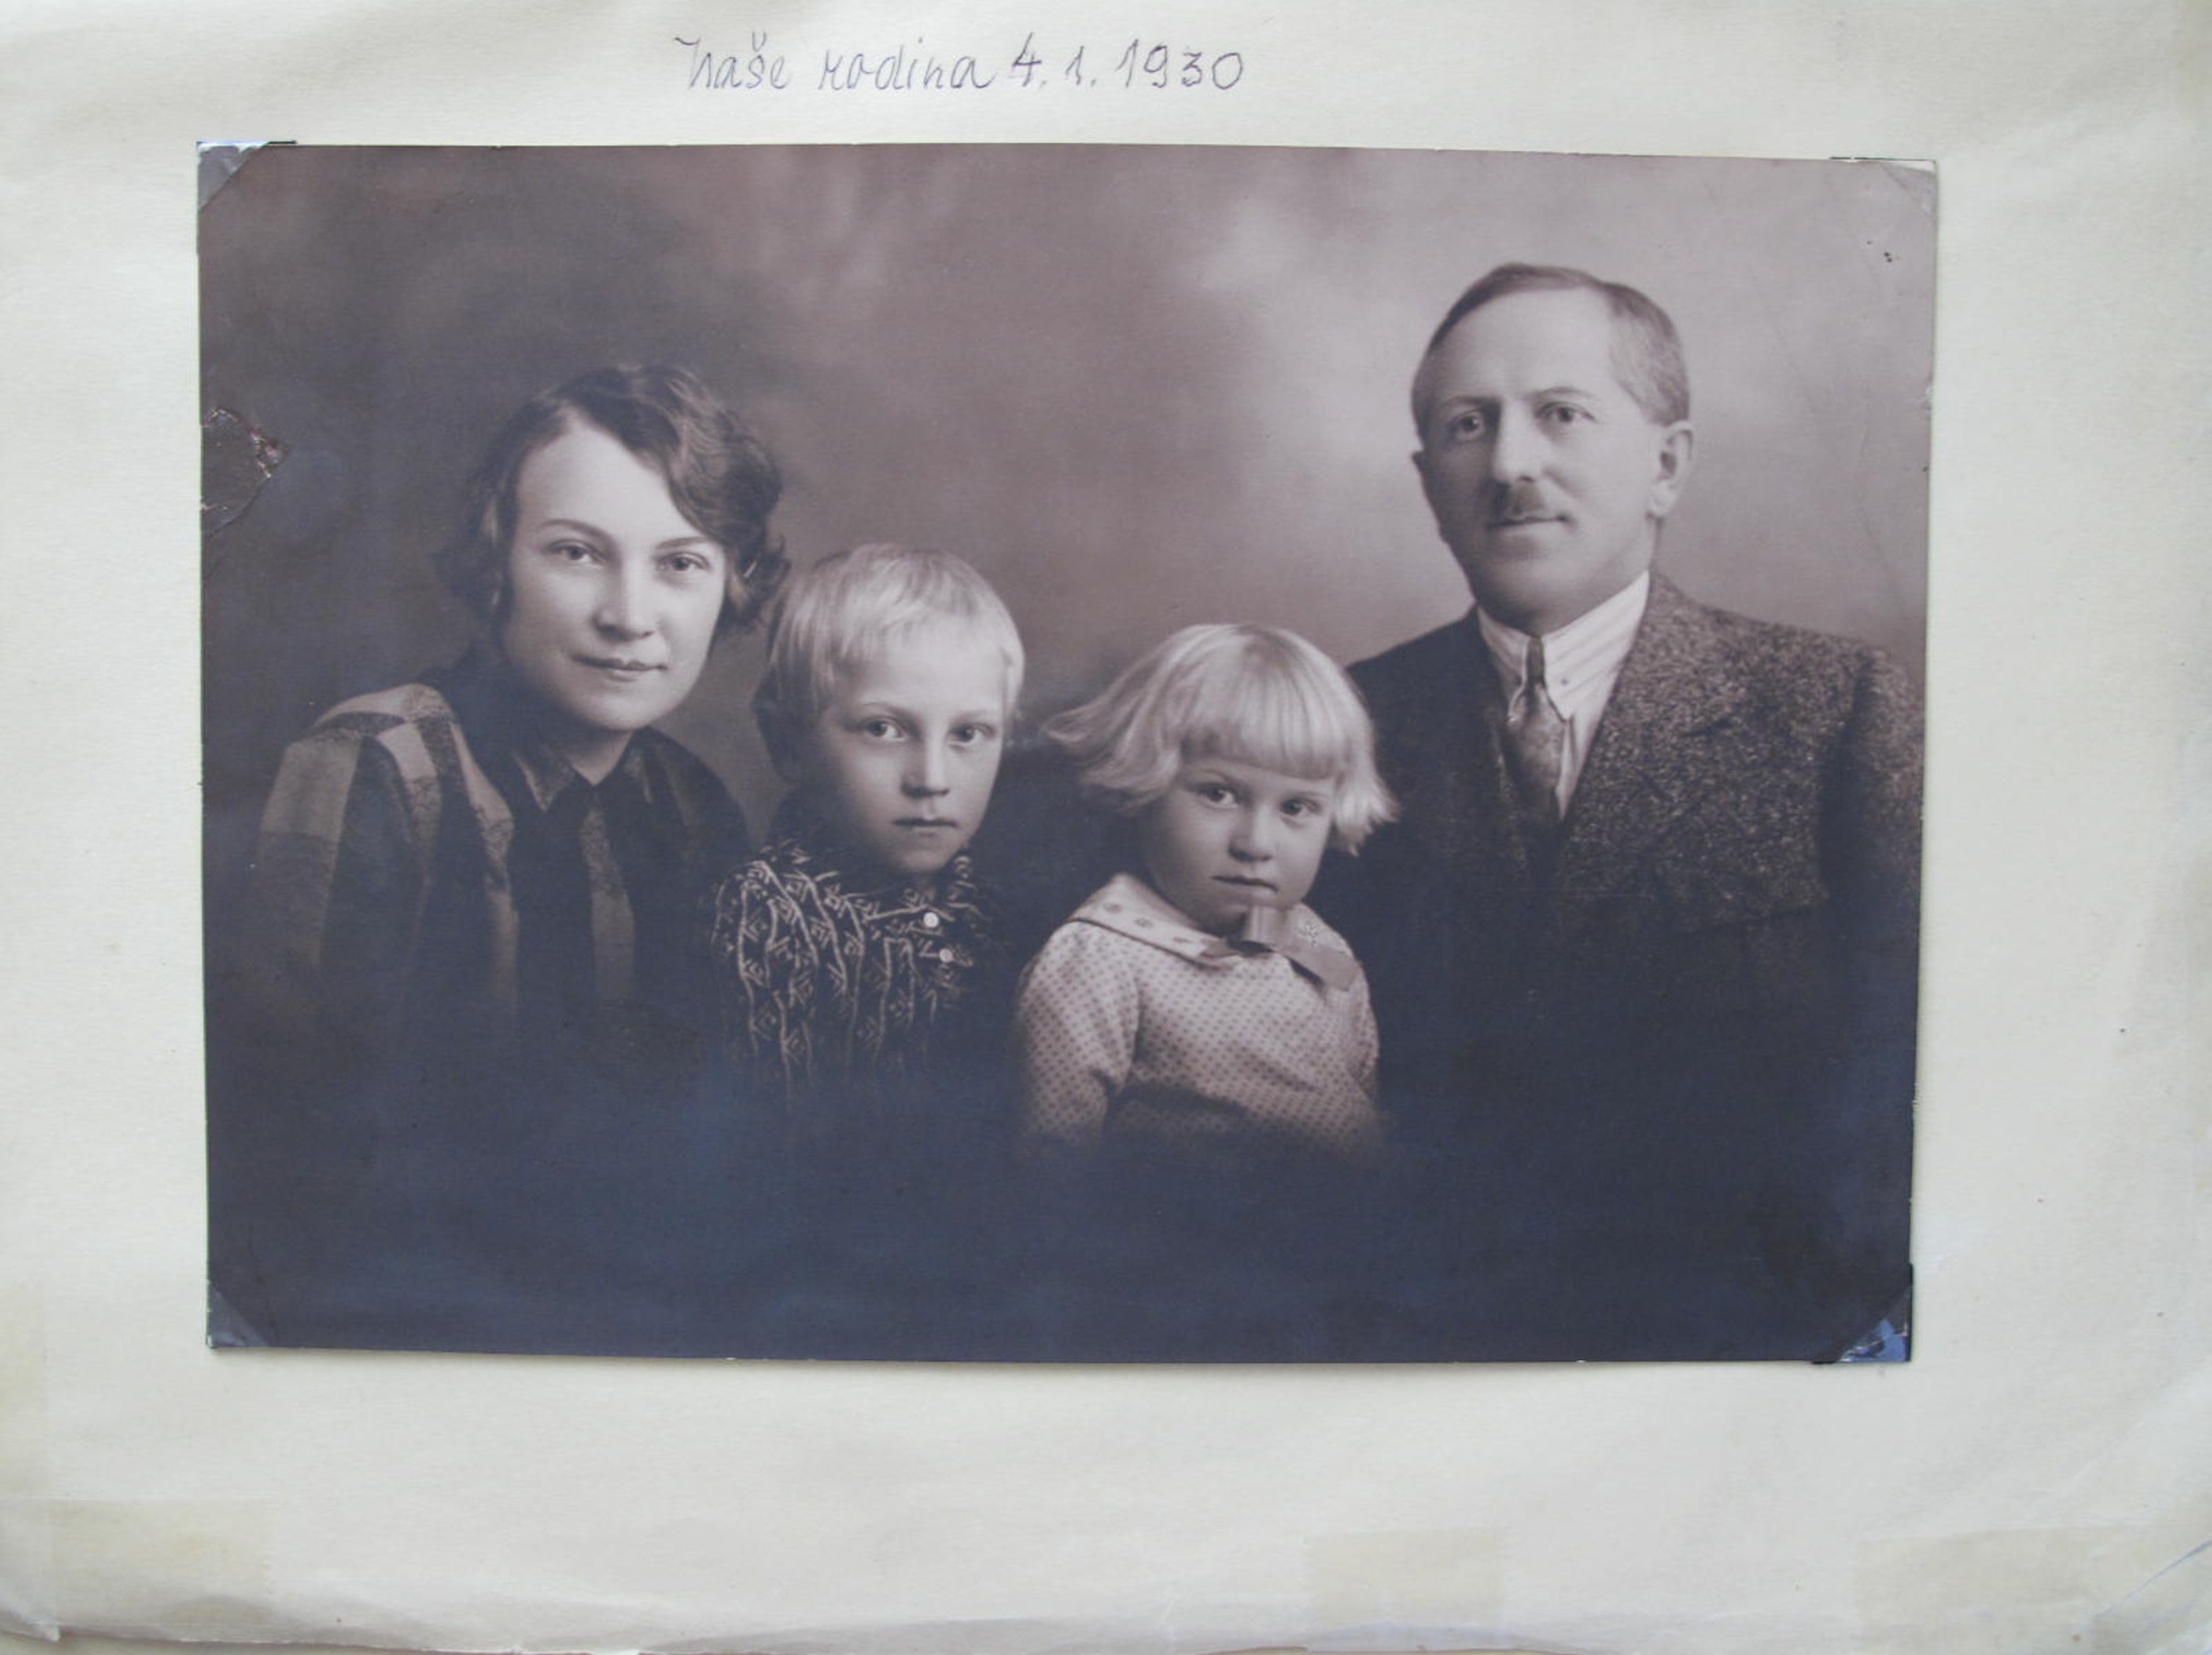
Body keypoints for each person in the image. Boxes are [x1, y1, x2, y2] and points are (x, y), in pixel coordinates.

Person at [1320, 264, 1923, 1360]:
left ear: (1666, 465)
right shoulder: (1337, 723)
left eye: (1561, 414)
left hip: (1754, 1353)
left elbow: (1924, 1076)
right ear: (1427, 483)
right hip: (1426, 1355)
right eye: (1467, 426)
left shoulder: (1837, 709)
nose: (1509, 464)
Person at [211, 363, 785, 1347]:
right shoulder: (379, 761)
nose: (630, 615)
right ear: (496, 561)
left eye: (681, 564)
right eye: (576, 553)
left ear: (733, 583)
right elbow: (291, 1153)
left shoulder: (693, 809)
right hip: (408, 1330)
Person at [1014, 624, 1394, 1169]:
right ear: (1146, 787)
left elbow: (1364, 1106)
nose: (1256, 844)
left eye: (1295, 808)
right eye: (1219, 794)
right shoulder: (1100, 957)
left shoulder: (1320, 945)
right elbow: (1050, 1158)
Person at [710, 543, 1024, 1140]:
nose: (931, 779)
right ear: (787, 744)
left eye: (968, 734)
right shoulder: (770, 913)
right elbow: (780, 1147)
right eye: (883, 729)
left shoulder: (990, 914)